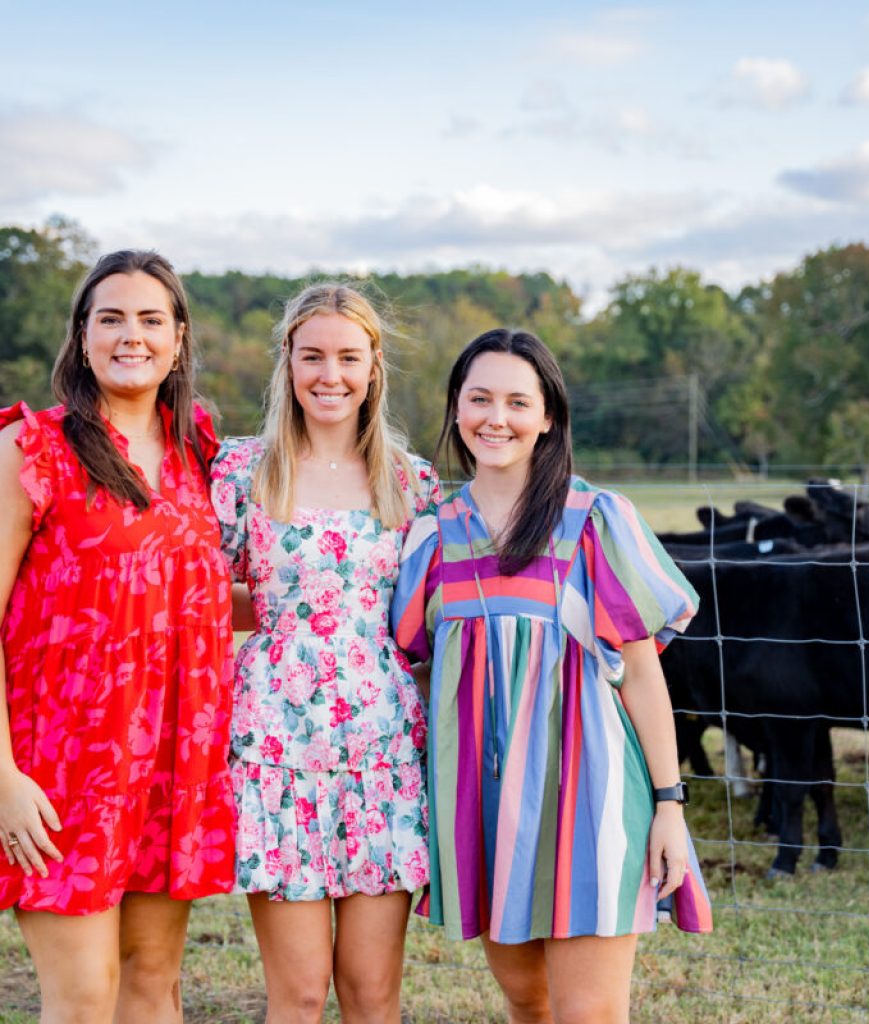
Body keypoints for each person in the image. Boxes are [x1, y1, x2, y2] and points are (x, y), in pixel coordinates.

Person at [392, 328, 713, 1024]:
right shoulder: (431, 535)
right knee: (527, 1002)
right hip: (486, 806)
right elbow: (420, 674)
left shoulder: (594, 520)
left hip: (591, 797)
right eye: (480, 399)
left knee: (587, 1013)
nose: (496, 418)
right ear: (456, 408)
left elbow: (641, 674)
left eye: (518, 402)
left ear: (548, 417)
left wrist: (670, 804)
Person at [0, 250, 236, 1023]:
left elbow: (194, 598)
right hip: (61, 771)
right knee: (84, 999)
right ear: (82, 335)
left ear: (178, 338)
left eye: (149, 319)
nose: (131, 335)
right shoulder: (32, 450)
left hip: (171, 767)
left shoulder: (200, 453)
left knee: (152, 986)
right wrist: (3, 778)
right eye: (111, 318)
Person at [210, 282, 438, 1024]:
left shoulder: (411, 482)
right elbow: (204, 598)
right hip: (276, 750)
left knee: (371, 992)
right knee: (301, 993)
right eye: (312, 356)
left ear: (374, 366)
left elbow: (429, 615)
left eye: (347, 357)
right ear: (289, 360)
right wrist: (288, 618)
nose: (329, 375)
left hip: (381, 753)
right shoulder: (244, 471)